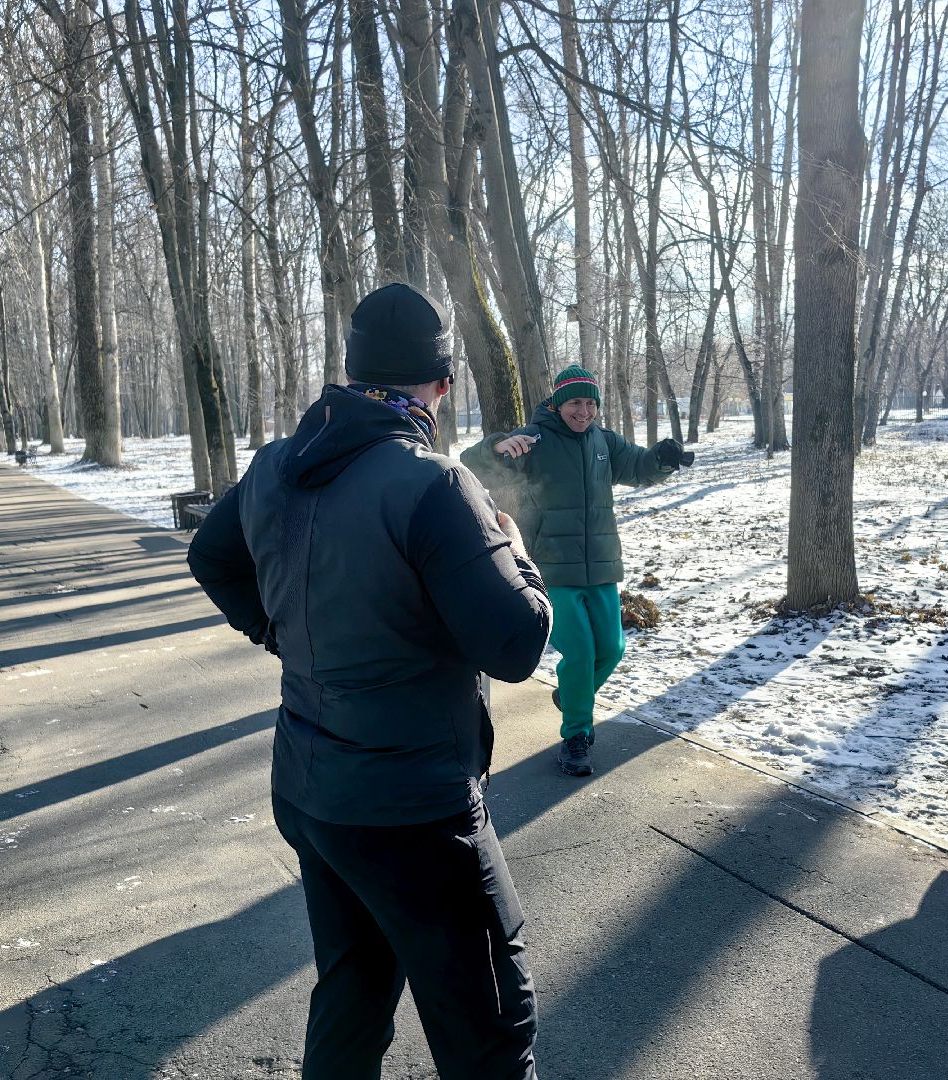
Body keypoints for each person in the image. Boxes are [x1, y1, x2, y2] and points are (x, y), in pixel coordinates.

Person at [188, 282, 552, 1080]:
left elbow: (210, 558)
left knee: (352, 999)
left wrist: (283, 636)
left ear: (348, 372)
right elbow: (518, 644)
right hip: (417, 812)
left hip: (313, 791)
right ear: (442, 384)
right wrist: (513, 545)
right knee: (491, 1035)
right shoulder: (436, 483)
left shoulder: (279, 463)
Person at [461, 366, 690, 778]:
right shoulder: (536, 439)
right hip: (553, 565)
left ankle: (571, 695)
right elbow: (475, 464)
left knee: (612, 649)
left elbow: (639, 468)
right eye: (574, 403)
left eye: (590, 403)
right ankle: (577, 737)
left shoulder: (604, 441)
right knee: (581, 651)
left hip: (602, 563)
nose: (583, 411)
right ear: (558, 403)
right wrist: (497, 447)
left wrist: (663, 459)